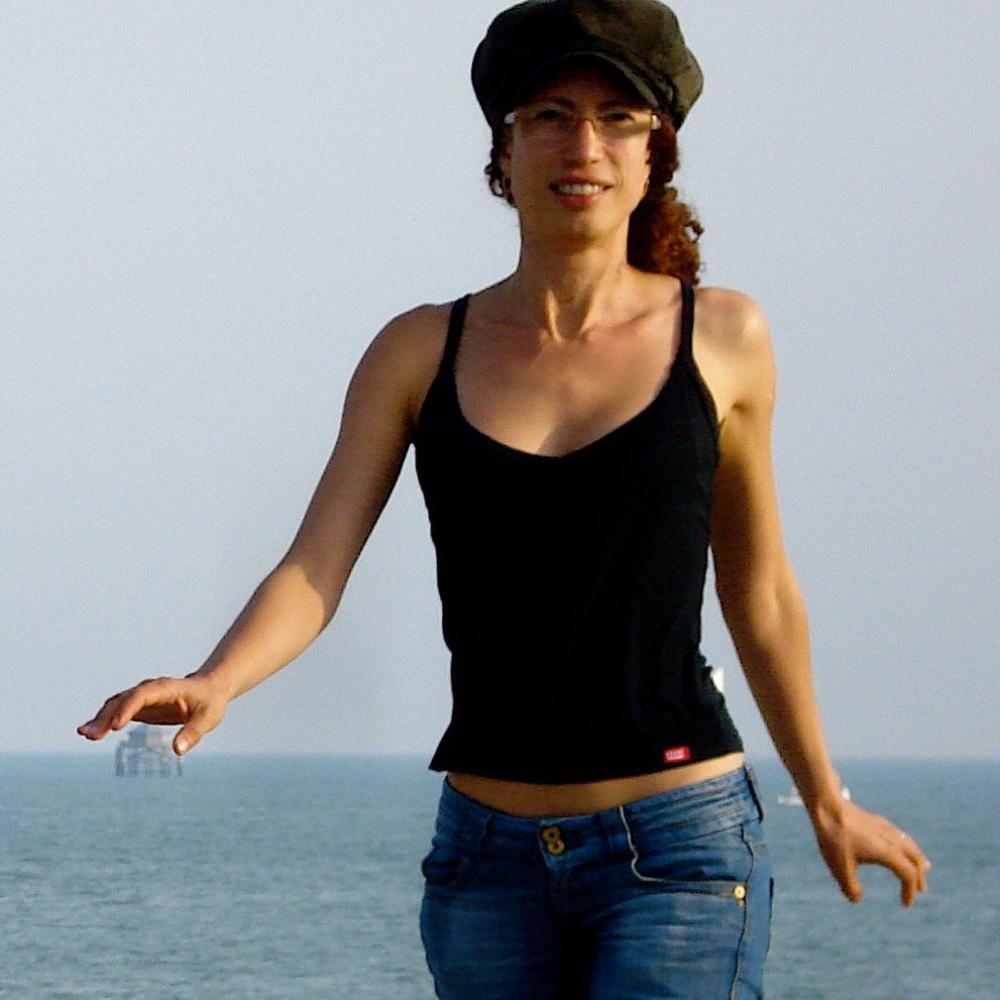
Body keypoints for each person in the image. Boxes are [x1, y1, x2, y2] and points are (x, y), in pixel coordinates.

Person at [79, 1, 931, 996]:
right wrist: (219, 679)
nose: (584, 145)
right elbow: (314, 568)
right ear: (504, 150)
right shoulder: (417, 351)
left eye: (618, 119)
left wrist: (824, 797)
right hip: (484, 863)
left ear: (655, 153)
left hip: (680, 848)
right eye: (551, 115)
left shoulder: (723, 338)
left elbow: (762, 591)